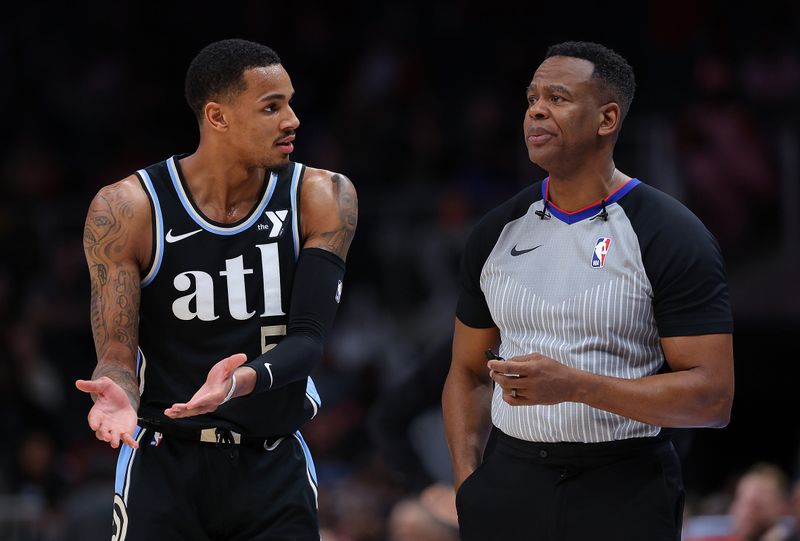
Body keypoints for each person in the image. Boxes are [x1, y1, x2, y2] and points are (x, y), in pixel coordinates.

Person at [442, 40, 734, 541]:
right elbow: (467, 371)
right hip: (510, 479)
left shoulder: (670, 233)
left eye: (557, 97)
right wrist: (470, 483)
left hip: (623, 484)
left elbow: (711, 398)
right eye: (532, 97)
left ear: (606, 119)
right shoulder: (496, 231)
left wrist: (576, 387)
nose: (535, 108)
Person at [75, 38, 357, 540]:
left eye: (290, 102)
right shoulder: (126, 209)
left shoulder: (323, 195)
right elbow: (117, 353)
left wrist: (237, 383)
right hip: (165, 458)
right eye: (272, 107)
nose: (292, 120)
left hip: (271, 459)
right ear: (217, 117)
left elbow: (309, 341)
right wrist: (117, 391)